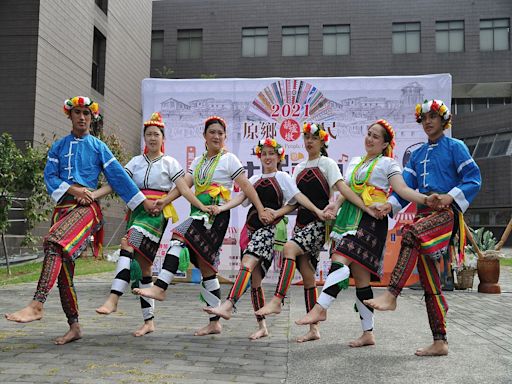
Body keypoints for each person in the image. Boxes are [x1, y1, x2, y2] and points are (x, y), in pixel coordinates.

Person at [5, 96, 154, 345]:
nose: (82, 117)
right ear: (70, 116)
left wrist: (142, 202)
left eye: (86, 113)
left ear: (92, 117)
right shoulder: (58, 147)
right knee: (63, 271)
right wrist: (74, 190)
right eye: (77, 113)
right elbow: (50, 177)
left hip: (87, 210)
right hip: (62, 209)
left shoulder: (98, 147)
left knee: (54, 242)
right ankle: (74, 326)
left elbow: (117, 176)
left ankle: (36, 304)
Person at [295, 119, 439, 348]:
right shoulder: (354, 162)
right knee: (361, 278)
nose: (369, 139)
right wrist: (335, 204)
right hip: (348, 217)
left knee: (340, 258)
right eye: (368, 134)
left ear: (384, 144)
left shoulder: (388, 163)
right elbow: (348, 189)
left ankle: (320, 308)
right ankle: (368, 333)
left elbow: (401, 190)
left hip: (372, 218)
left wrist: (424, 199)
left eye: (375, 136)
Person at [134, 116, 273, 336]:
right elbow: (184, 186)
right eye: (212, 132)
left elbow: (246, 186)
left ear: (225, 137)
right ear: (205, 137)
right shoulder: (198, 161)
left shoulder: (230, 160)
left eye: (220, 133)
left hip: (215, 216)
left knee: (179, 235)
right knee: (207, 268)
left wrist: (261, 209)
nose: (217, 136)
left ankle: (160, 287)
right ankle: (214, 322)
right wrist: (165, 200)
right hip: (199, 212)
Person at [364, 100, 481, 356]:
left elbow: (474, 179)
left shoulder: (456, 147)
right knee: (430, 282)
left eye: (433, 117)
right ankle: (440, 341)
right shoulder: (416, 154)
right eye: (424, 118)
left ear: (443, 120)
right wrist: (389, 205)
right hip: (424, 214)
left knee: (412, 233)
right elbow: (404, 189)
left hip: (445, 214)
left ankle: (392, 293)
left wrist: (449, 197)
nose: (428, 122)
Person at [255, 122, 375, 343]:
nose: (309, 141)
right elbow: (294, 202)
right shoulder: (298, 168)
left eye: (313, 137)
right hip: (301, 223)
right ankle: (314, 329)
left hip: (320, 223)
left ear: (322, 141)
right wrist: (276, 213)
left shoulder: (327, 163)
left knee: (289, 248)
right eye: (306, 137)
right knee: (307, 272)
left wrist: (362, 206)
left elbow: (343, 188)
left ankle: (278, 300)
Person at [95, 112, 210, 336]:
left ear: (163, 138)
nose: (152, 138)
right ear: (144, 138)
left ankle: (113, 298)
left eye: (156, 134)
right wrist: (94, 194)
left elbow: (183, 187)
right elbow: (118, 182)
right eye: (148, 134)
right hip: (137, 210)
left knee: (128, 242)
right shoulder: (136, 162)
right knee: (145, 266)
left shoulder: (169, 163)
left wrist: (176, 202)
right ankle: (149, 322)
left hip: (156, 213)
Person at [203, 138, 327, 339]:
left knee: (248, 263)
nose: (268, 157)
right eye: (264, 153)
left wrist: (282, 212)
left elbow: (296, 201)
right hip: (250, 230)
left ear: (279, 157)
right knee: (255, 280)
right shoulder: (253, 179)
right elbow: (240, 198)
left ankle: (228, 304)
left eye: (272, 153)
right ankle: (262, 327)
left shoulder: (283, 177)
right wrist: (221, 207)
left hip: (268, 230)